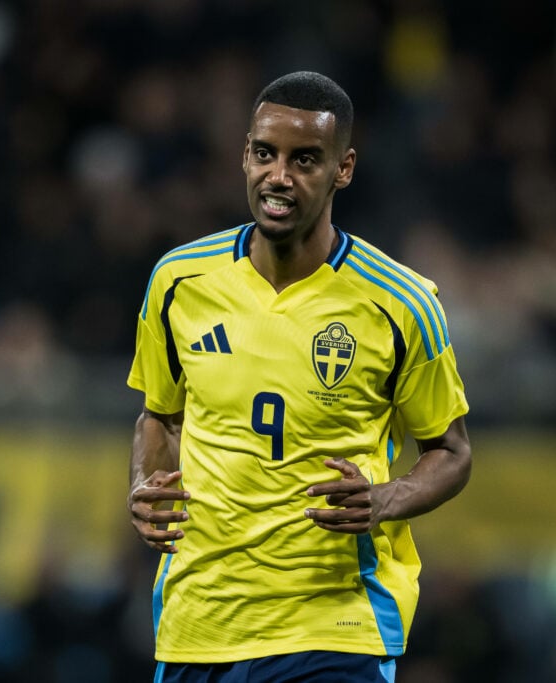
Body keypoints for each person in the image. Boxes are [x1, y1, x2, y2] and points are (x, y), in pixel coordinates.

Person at [126, 71, 472, 683]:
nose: (278, 176)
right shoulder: (177, 281)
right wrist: (146, 483)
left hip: (334, 625)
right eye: (265, 153)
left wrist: (385, 499)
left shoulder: (401, 303)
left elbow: (451, 451)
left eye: (305, 159)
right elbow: (161, 413)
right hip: (199, 622)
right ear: (245, 155)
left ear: (344, 169)